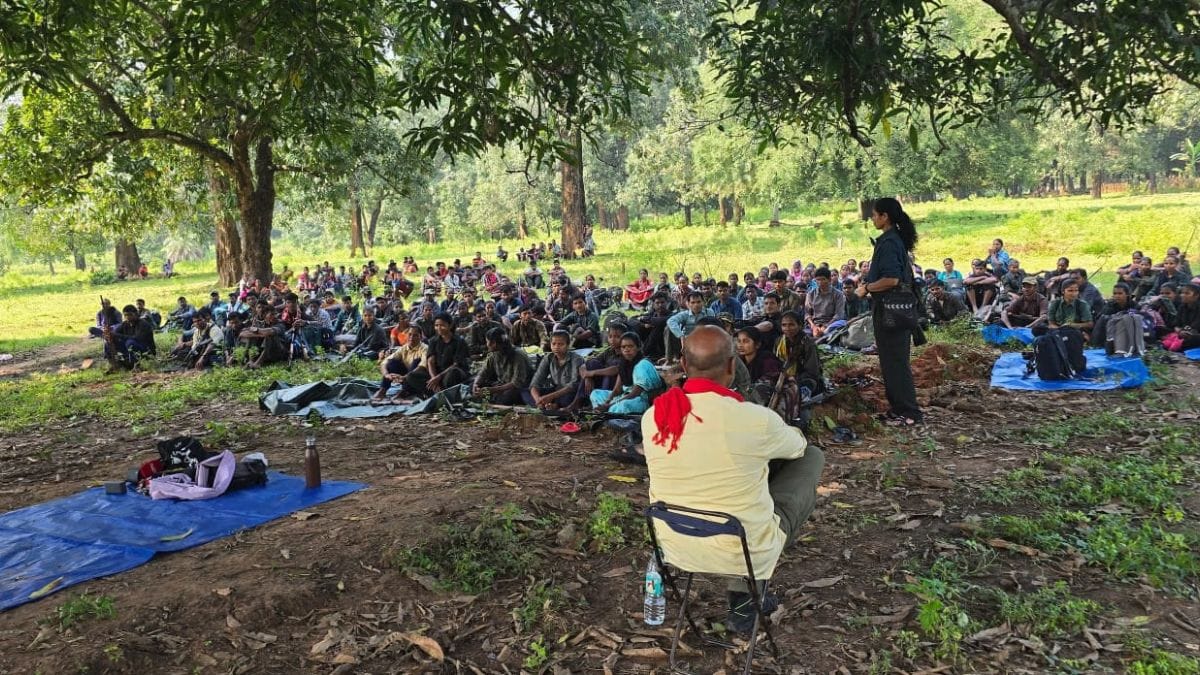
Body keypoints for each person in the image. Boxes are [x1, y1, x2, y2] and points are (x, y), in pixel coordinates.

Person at [641, 325, 824, 633]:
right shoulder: (754, 420)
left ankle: (744, 596)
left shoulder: (655, 417)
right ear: (730, 366)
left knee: (735, 480)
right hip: (742, 549)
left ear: (684, 366)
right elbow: (798, 447)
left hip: (675, 545)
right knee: (812, 457)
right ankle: (743, 603)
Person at [856, 197, 922, 427]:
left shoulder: (890, 243)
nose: (872, 218)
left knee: (896, 362)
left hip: (892, 312)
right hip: (890, 310)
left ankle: (909, 412)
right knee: (890, 361)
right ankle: (898, 409)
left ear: (885, 217)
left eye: (875, 215)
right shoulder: (890, 240)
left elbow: (891, 279)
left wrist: (866, 288)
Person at [590, 333, 664, 414]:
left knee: (622, 406)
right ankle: (602, 412)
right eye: (623, 347)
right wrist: (607, 401)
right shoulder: (623, 364)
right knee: (596, 393)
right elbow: (617, 390)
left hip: (641, 400)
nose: (626, 349)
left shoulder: (643, 364)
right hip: (625, 396)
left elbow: (635, 394)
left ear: (638, 347)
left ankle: (606, 415)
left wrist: (609, 406)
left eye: (630, 346)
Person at [402, 313, 471, 397]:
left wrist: (438, 377)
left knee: (453, 373)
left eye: (442, 325)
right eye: (436, 325)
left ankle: (443, 393)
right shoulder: (433, 341)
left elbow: (456, 364)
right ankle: (436, 391)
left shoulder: (460, 341)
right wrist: (433, 378)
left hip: (451, 373)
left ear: (450, 325)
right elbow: (430, 361)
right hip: (436, 373)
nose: (439, 328)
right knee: (411, 376)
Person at [472, 327, 533, 405]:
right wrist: (476, 384)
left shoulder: (518, 355)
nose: (487, 344)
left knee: (507, 397)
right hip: (501, 385)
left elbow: (517, 383)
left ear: (494, 343)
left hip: (519, 388)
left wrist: (493, 390)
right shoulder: (494, 354)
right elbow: (483, 372)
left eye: (487, 341)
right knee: (473, 385)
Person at [525, 330, 584, 410]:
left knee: (569, 398)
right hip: (555, 390)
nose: (556, 347)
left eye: (561, 344)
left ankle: (555, 405)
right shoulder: (548, 358)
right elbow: (536, 382)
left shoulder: (576, 359)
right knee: (525, 391)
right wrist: (538, 400)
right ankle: (542, 405)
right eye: (554, 344)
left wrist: (550, 396)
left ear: (568, 345)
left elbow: (574, 385)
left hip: (568, 392)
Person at [373, 325, 427, 402]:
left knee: (417, 361)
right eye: (410, 334)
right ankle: (383, 390)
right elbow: (385, 361)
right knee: (392, 363)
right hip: (406, 377)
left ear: (420, 337)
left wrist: (405, 377)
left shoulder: (425, 348)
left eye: (415, 335)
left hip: (419, 380)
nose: (411, 337)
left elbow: (422, 366)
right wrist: (386, 374)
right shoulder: (404, 348)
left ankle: (404, 392)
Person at [103, 304, 157, 372]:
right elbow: (115, 333)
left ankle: (135, 365)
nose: (128, 317)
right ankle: (113, 365)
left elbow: (137, 338)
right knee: (108, 342)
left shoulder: (143, 324)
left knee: (130, 342)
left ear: (136, 314)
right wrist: (108, 334)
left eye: (130, 315)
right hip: (130, 347)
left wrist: (116, 335)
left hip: (145, 349)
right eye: (125, 315)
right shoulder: (125, 324)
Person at [735, 327, 782, 404]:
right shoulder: (739, 361)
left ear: (757, 344)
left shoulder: (768, 361)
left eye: (745, 341)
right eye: (739, 341)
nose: (740, 345)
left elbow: (766, 385)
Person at [804, 267, 845, 337]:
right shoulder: (811, 294)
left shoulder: (838, 294)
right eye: (818, 280)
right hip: (815, 324)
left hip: (831, 324)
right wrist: (813, 326)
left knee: (842, 323)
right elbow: (807, 313)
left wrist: (825, 326)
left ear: (829, 280)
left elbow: (838, 315)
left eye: (823, 279)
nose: (820, 282)